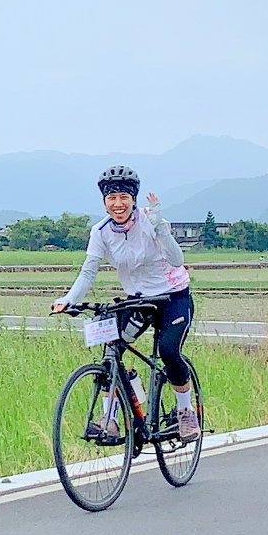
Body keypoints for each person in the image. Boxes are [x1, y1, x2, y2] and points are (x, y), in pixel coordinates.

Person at [52, 166, 200, 440]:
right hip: (140, 300)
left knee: (168, 352)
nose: (118, 204)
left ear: (133, 198)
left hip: (173, 297)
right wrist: (69, 299)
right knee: (112, 349)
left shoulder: (151, 221)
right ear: (104, 201)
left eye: (123, 197)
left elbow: (177, 260)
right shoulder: (101, 231)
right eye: (111, 198)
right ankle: (111, 419)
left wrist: (161, 228)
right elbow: (89, 271)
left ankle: (186, 412)